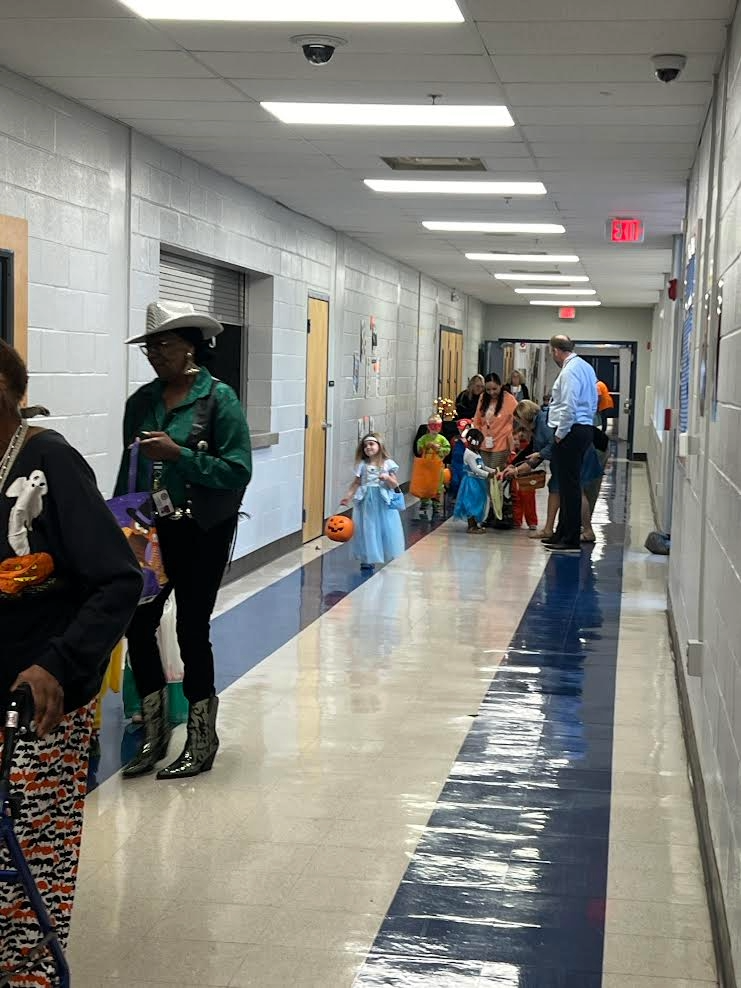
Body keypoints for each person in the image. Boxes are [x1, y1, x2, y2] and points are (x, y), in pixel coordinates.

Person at [0, 341, 142, 988]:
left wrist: (56, 665)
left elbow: (118, 580)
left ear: (8, 389)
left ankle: (30, 973)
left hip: (40, 703)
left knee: (29, 861)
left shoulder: (48, 462)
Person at [117, 300, 252, 780]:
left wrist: (181, 456)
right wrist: (120, 529)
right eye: (149, 347)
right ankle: (154, 733)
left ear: (191, 347)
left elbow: (239, 470)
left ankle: (201, 738)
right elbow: (128, 470)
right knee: (138, 623)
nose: (154, 354)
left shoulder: (220, 400)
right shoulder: (142, 402)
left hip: (201, 531)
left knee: (192, 630)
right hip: (148, 530)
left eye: (164, 345)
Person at [541, 335, 597, 553]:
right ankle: (561, 533)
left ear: (555, 350)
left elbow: (569, 404)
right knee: (566, 485)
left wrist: (560, 433)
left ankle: (570, 538)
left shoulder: (570, 371)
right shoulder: (585, 367)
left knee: (570, 486)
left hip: (571, 431)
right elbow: (592, 402)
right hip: (583, 428)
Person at [341, 433, 405, 571]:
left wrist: (387, 478)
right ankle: (367, 557)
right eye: (365, 446)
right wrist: (348, 496)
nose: (368, 447)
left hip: (381, 500)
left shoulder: (388, 464)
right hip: (366, 501)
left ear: (379, 446)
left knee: (383, 527)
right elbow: (356, 483)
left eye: (371, 444)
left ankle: (384, 552)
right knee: (368, 527)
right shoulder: (362, 465)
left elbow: (395, 483)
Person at [507, 400, 559, 539]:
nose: (519, 424)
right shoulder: (537, 426)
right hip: (558, 461)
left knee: (559, 490)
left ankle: (550, 529)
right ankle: (552, 528)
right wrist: (516, 469)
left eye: (519, 420)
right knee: (555, 489)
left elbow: (552, 443)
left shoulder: (543, 424)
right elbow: (533, 458)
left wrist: (540, 454)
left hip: (563, 459)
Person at [453, 428, 496, 534]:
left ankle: (476, 524)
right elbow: (475, 469)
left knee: (478, 502)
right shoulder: (468, 454)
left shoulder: (476, 452)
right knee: (471, 503)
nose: (480, 445)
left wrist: (493, 471)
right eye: (478, 442)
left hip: (478, 482)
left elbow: (482, 466)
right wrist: (488, 475)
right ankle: (471, 526)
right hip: (471, 482)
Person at [472, 372, 518, 472]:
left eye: (494, 389)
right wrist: (477, 435)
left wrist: (514, 437)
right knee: (484, 473)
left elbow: (519, 418)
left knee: (495, 476)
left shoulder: (509, 399)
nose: (491, 392)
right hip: (484, 443)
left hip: (501, 445)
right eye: (488, 389)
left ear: (500, 386)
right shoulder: (483, 398)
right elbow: (477, 419)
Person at [415, 414, 450, 520]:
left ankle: (436, 505)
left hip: (437, 466)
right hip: (426, 466)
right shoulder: (424, 438)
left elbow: (447, 449)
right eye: (432, 426)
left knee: (437, 486)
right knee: (426, 485)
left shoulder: (442, 439)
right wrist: (426, 446)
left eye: (437, 426)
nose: (435, 428)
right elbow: (418, 450)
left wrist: (439, 449)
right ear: (428, 427)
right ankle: (424, 504)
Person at [507, 428, 538, 531]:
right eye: (515, 439)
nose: (516, 442)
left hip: (527, 479)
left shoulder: (526, 451)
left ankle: (531, 522)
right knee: (516, 500)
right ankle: (517, 520)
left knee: (529, 501)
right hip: (517, 480)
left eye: (519, 440)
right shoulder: (510, 454)